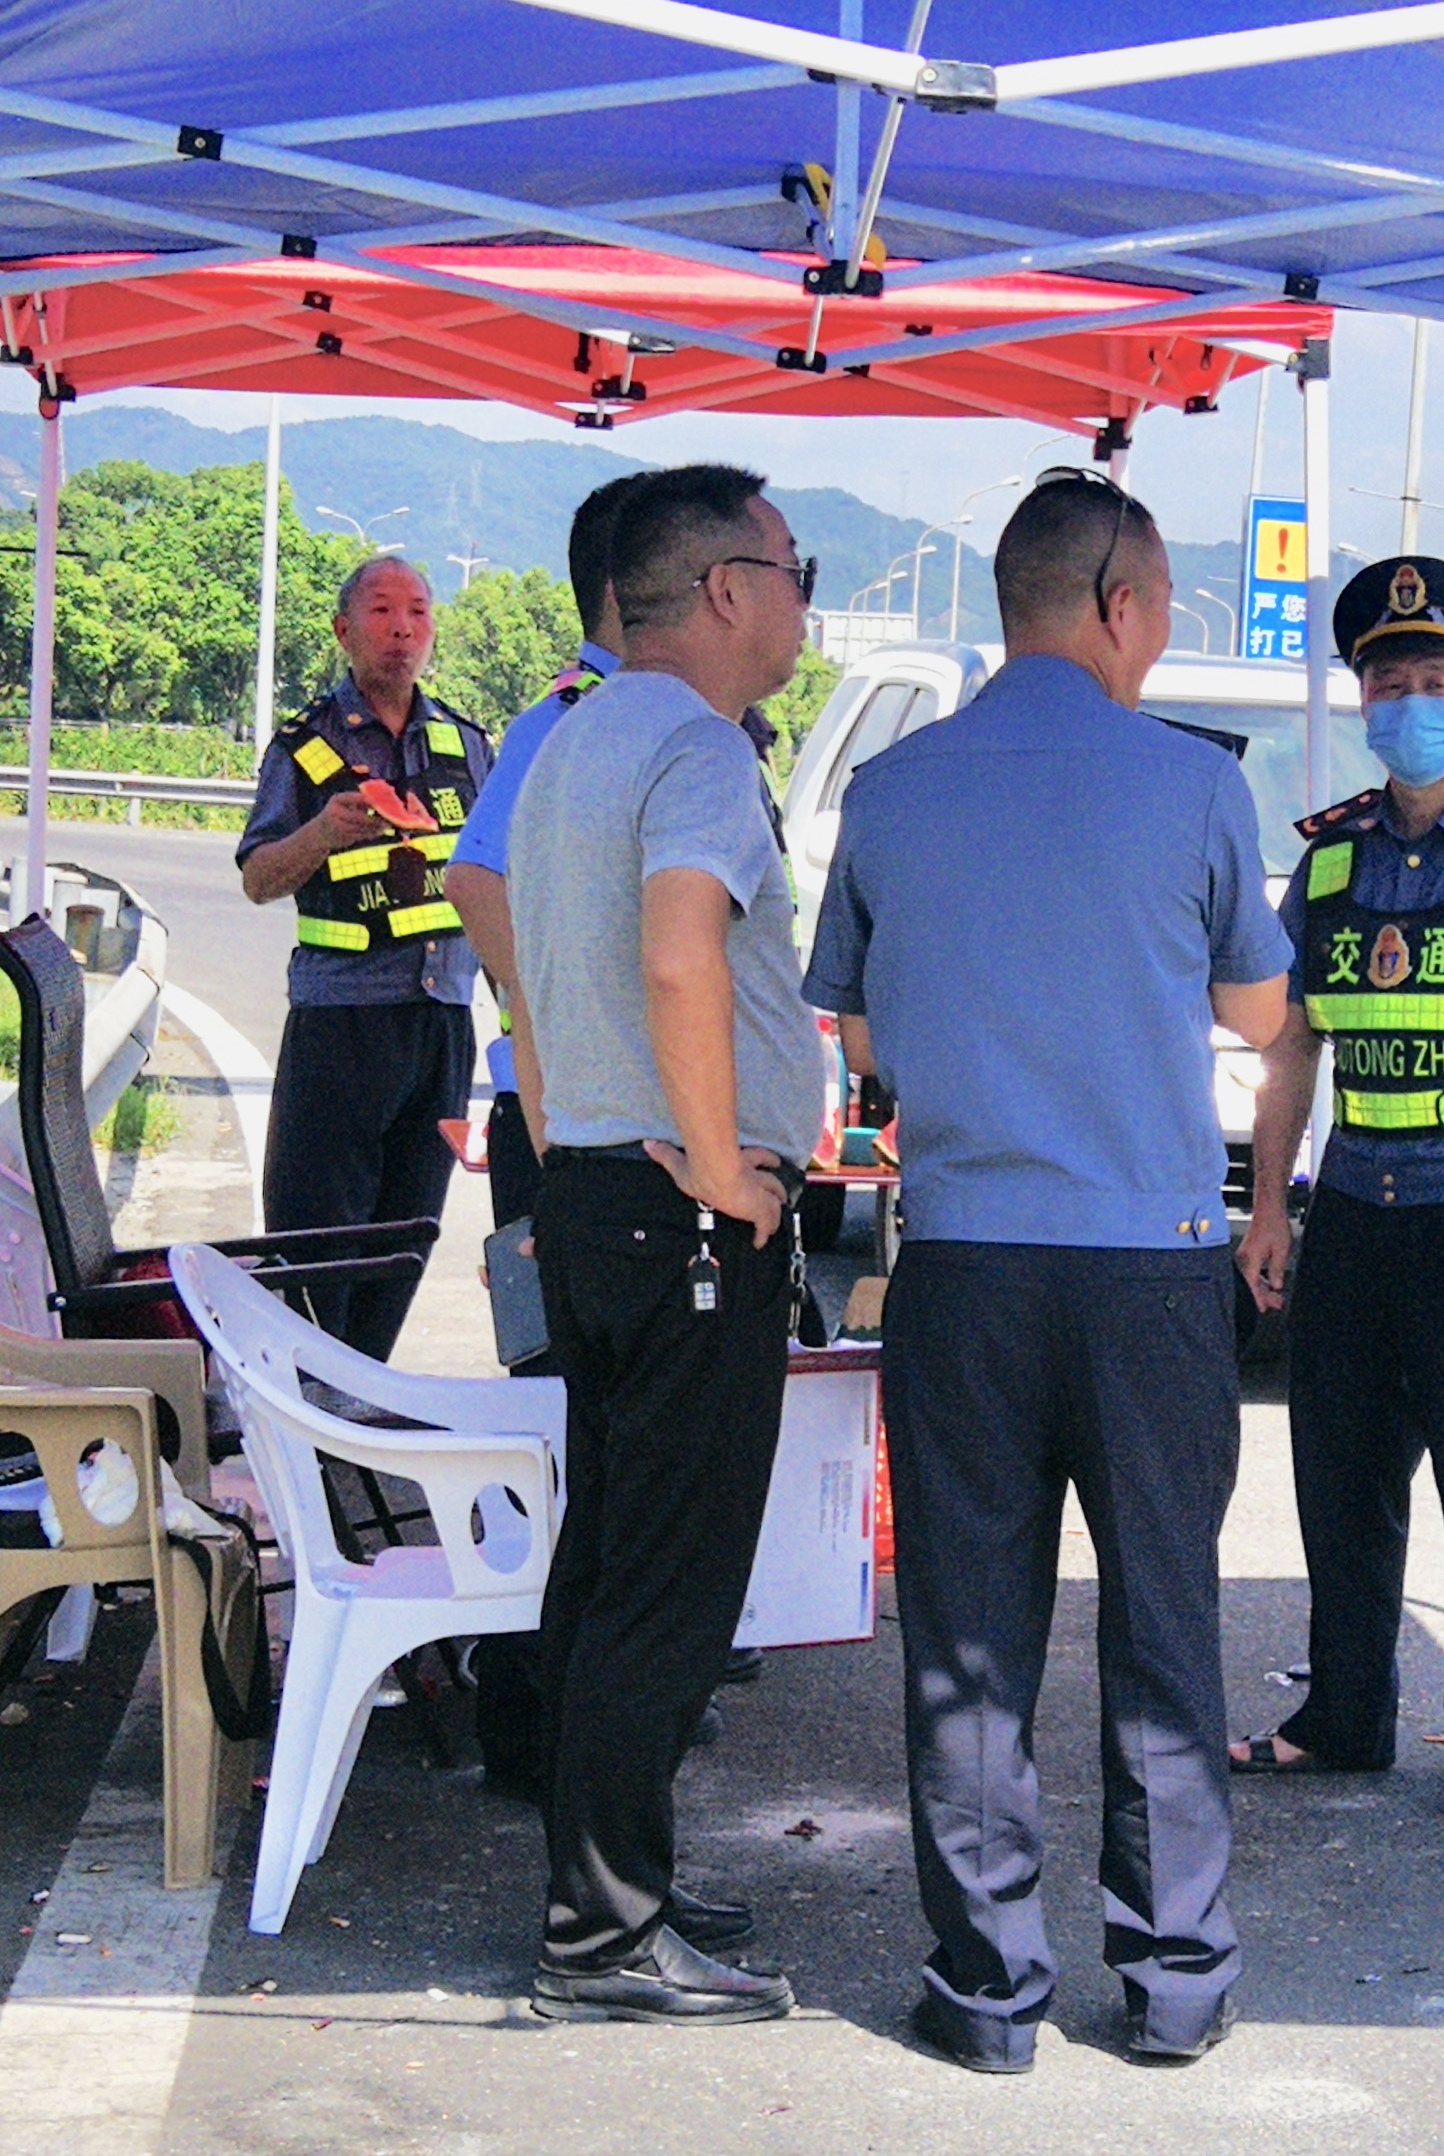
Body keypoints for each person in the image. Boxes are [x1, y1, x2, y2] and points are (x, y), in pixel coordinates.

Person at [805, 468, 1290, 2073]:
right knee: (1162, 1625)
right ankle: (1172, 1983)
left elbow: (857, 1032)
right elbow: (1259, 1012)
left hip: (961, 1264)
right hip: (1150, 1272)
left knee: (967, 1640)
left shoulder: (891, 788)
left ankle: (987, 1990)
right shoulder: (1196, 786)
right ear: (1117, 605)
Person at [510, 463, 822, 2026]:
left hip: (590, 1190)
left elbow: (518, 950)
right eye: (794, 568)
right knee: (668, 1587)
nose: (803, 600)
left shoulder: (572, 736)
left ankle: (607, 1881)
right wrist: (717, 1163)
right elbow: (682, 950)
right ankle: (604, 1936)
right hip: (684, 1212)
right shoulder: (696, 744)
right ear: (722, 587)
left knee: (609, 1562)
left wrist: (580, 1123)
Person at [1231, 555, 1444, 1827]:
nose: (1408, 701)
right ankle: (1343, 1716)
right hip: (1356, 1210)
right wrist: (1275, 1205)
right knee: (1342, 1481)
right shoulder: (1330, 858)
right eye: (1387, 683)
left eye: (1434, 680)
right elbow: (1292, 1044)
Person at [237, 556, 493, 1359]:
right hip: (341, 1023)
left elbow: (495, 887)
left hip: (440, 1023)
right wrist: (322, 833)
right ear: (344, 631)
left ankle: (362, 1393)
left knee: (406, 1236)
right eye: (382, 612)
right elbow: (257, 878)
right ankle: (310, 1398)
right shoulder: (306, 746)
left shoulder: (466, 745)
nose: (402, 630)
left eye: (417, 612)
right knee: (316, 1243)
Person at [446, 470, 649, 1236]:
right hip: (568, 1120)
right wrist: (558, 1037)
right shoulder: (569, 721)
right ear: (625, 589)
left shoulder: (651, 717)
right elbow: (473, 880)